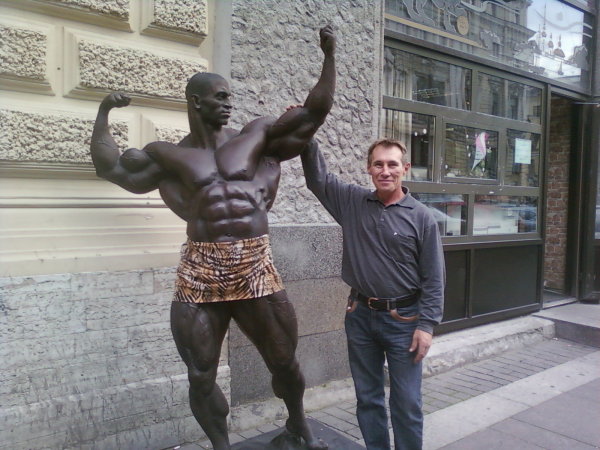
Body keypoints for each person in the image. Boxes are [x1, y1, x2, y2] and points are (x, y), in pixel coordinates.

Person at [89, 25, 336, 450]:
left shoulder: (256, 136)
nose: (229, 103)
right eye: (220, 97)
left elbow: (314, 113)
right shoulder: (168, 155)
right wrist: (103, 112)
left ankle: (299, 428)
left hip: (253, 265)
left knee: (284, 362)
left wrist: (329, 56)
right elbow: (111, 167)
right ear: (195, 102)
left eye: (230, 97)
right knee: (200, 374)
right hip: (200, 271)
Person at [301, 138, 445, 450]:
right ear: (369, 169)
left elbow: (434, 278)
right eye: (378, 164)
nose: (385, 171)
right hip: (361, 317)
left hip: (404, 321)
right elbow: (318, 180)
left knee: (407, 402)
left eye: (392, 164)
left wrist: (427, 325)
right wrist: (307, 135)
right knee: (368, 398)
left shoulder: (422, 217)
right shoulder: (352, 202)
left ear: (405, 169)